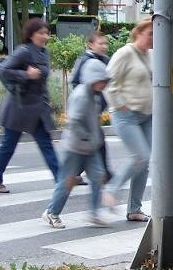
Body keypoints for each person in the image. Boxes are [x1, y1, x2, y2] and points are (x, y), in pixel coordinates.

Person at [0, 18, 59, 193]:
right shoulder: (23, 51)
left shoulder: (44, 52)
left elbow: (42, 82)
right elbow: (3, 69)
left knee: (46, 144)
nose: (45, 36)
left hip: (37, 109)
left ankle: (61, 181)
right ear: (31, 35)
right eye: (41, 33)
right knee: (8, 146)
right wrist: (26, 74)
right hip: (18, 108)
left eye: (46, 33)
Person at [43, 58, 111, 229]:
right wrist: (89, 137)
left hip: (90, 147)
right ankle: (52, 212)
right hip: (74, 147)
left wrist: (94, 139)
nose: (104, 83)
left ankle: (94, 213)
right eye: (101, 80)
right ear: (92, 79)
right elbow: (73, 121)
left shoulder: (95, 96)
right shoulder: (81, 96)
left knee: (98, 177)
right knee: (67, 181)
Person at [101, 18, 154, 222]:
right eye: (150, 33)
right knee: (139, 156)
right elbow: (108, 81)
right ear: (139, 32)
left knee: (145, 161)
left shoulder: (151, 55)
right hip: (126, 114)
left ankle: (134, 209)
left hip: (147, 114)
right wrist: (119, 102)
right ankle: (111, 189)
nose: (153, 38)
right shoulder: (125, 53)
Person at [70, 31, 112, 183]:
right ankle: (105, 174)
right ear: (91, 44)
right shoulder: (85, 60)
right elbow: (75, 82)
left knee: (94, 142)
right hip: (86, 109)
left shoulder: (104, 60)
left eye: (105, 43)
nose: (104, 46)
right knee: (97, 141)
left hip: (96, 109)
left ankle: (74, 173)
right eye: (100, 43)